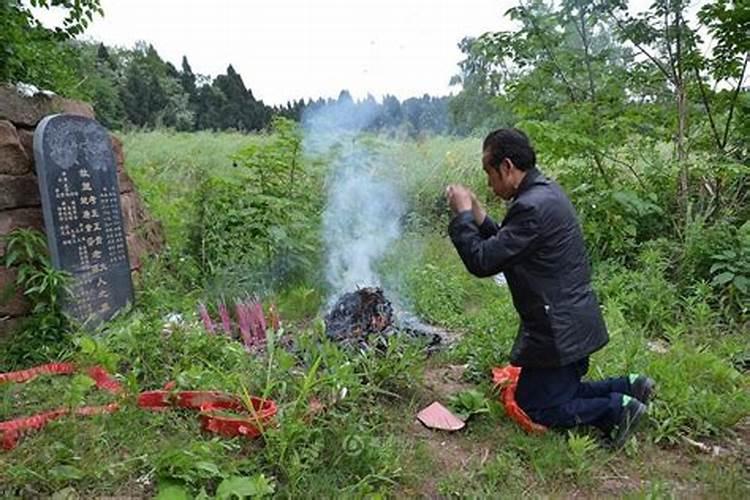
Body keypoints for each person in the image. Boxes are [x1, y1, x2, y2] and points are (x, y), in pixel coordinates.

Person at [445, 128, 654, 448]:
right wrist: (477, 213)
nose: (488, 183)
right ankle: (631, 386)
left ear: (507, 167)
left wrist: (461, 217)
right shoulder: (544, 193)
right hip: (569, 321)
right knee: (557, 393)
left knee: (538, 406)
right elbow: (509, 243)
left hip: (557, 329)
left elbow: (483, 260)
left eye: (489, 173)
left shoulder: (531, 206)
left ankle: (617, 409)